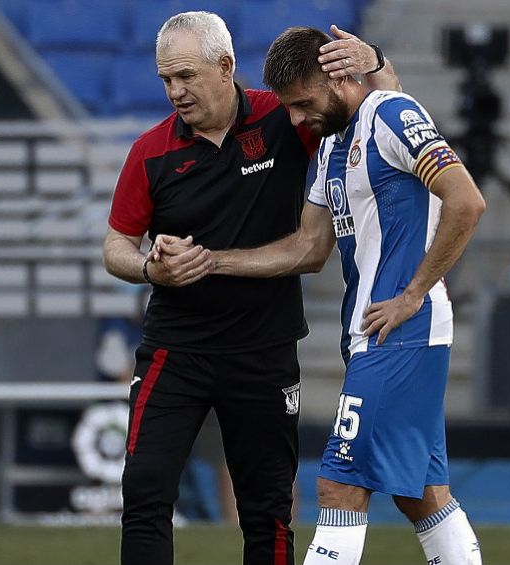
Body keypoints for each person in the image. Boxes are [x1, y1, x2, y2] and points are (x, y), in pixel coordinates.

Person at [153, 26, 486, 565]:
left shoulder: (390, 116)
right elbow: (308, 248)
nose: (293, 118)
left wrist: (413, 293)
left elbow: (466, 201)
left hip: (399, 334)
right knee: (421, 495)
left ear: (340, 78)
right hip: (371, 335)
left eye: (303, 102)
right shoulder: (331, 147)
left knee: (338, 487)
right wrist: (213, 261)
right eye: (286, 106)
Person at [101, 11, 400, 565]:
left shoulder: (285, 117)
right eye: (166, 79)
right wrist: (150, 269)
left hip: (263, 347)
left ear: (226, 66)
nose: (175, 91)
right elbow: (116, 246)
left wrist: (376, 63)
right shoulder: (150, 151)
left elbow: (385, 117)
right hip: (175, 348)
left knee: (267, 510)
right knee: (144, 492)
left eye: (186, 76)